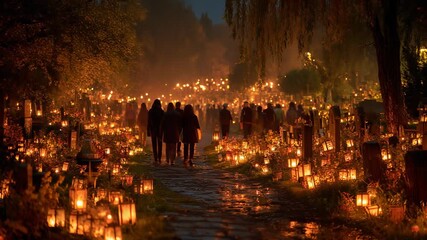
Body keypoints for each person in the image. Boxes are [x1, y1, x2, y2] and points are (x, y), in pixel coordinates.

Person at [147, 99, 164, 164]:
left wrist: (148, 130)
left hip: (153, 129)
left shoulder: (151, 111)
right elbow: (163, 121)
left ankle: (155, 157)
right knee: (160, 144)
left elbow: (149, 122)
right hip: (159, 130)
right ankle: (159, 158)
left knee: (154, 144)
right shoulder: (161, 111)